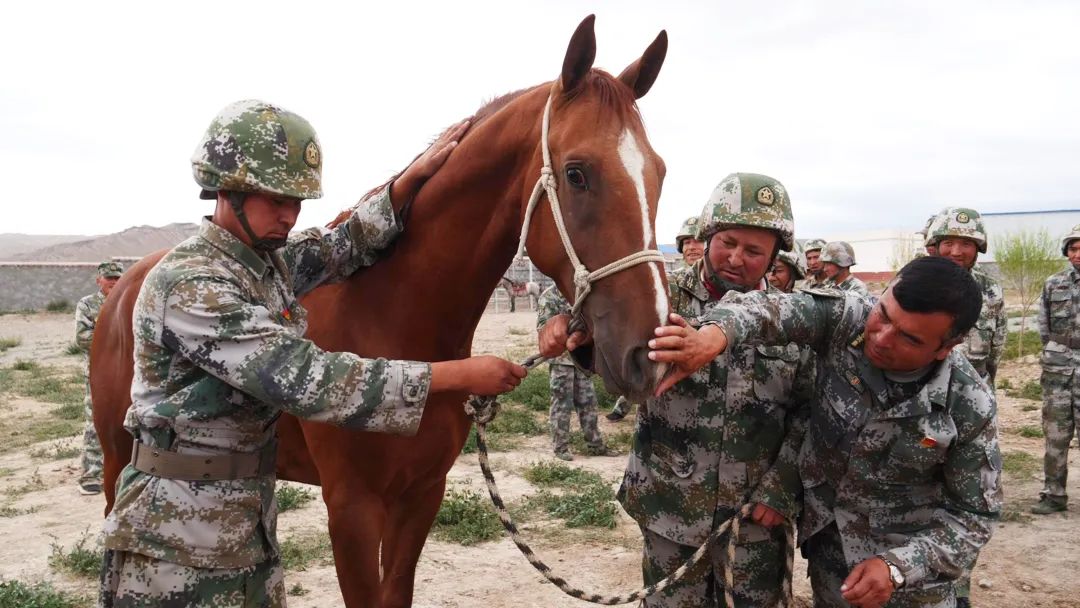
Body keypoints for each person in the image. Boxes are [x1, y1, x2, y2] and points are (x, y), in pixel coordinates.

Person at [98, 99, 527, 607]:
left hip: (241, 531)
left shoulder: (262, 267)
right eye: (276, 199)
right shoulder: (193, 283)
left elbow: (339, 245)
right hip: (172, 540)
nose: (290, 214)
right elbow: (310, 379)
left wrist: (409, 183)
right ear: (227, 189)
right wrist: (457, 376)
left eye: (297, 201)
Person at [650, 256, 1003, 608]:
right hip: (829, 557)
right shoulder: (849, 319)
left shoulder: (968, 404)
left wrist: (898, 567)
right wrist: (713, 337)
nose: (880, 337)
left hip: (909, 581)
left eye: (908, 338)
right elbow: (767, 307)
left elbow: (974, 517)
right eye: (884, 314)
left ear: (946, 347)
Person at [554, 172, 814, 607]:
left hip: (756, 519)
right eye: (727, 241)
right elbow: (594, 331)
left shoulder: (793, 317)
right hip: (669, 509)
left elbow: (810, 410)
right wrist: (565, 329)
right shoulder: (658, 296)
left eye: (754, 251)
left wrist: (781, 486)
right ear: (707, 234)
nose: (736, 258)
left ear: (774, 258)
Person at [924, 207, 1006, 387]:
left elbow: (996, 348)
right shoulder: (914, 283)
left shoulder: (991, 289)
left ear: (978, 249)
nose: (956, 252)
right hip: (925, 390)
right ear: (936, 245)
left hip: (975, 390)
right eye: (948, 243)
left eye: (966, 244)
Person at [1032, 225, 1080, 515]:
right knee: (1056, 434)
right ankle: (1054, 495)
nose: (1078, 254)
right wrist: (1053, 352)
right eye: (1073, 248)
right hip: (1058, 369)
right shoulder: (1053, 283)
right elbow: (1043, 325)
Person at [536, 286, 609, 460]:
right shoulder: (550, 296)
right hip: (562, 361)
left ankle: (595, 445)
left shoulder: (583, 295)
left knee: (589, 403)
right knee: (562, 405)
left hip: (581, 361)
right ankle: (560, 447)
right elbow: (543, 328)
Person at [74, 260, 124, 495]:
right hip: (99, 375)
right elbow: (83, 338)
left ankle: (121, 471)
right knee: (95, 422)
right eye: (109, 278)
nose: (113, 282)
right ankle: (91, 475)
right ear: (99, 280)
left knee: (126, 422)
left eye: (117, 277)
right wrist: (117, 339)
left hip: (126, 374)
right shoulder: (87, 304)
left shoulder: (128, 302)